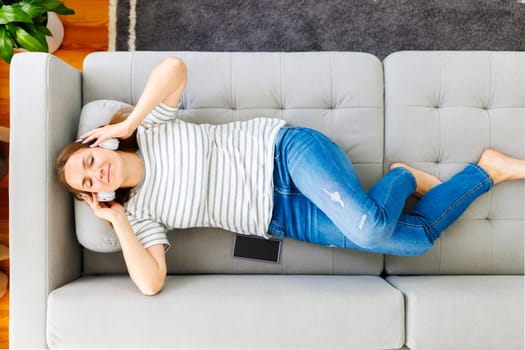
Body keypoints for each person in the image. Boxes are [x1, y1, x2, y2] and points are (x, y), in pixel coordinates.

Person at [56, 57, 525, 296]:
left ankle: (402, 179)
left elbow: (174, 69)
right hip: (282, 221)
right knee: (418, 239)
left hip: (286, 155)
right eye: (89, 183)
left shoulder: (150, 128)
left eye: (89, 160)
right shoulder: (141, 215)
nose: (96, 173)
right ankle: (485, 170)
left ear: (100, 145)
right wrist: (116, 219)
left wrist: (128, 123)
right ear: (98, 194)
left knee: (369, 226)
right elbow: (150, 282)